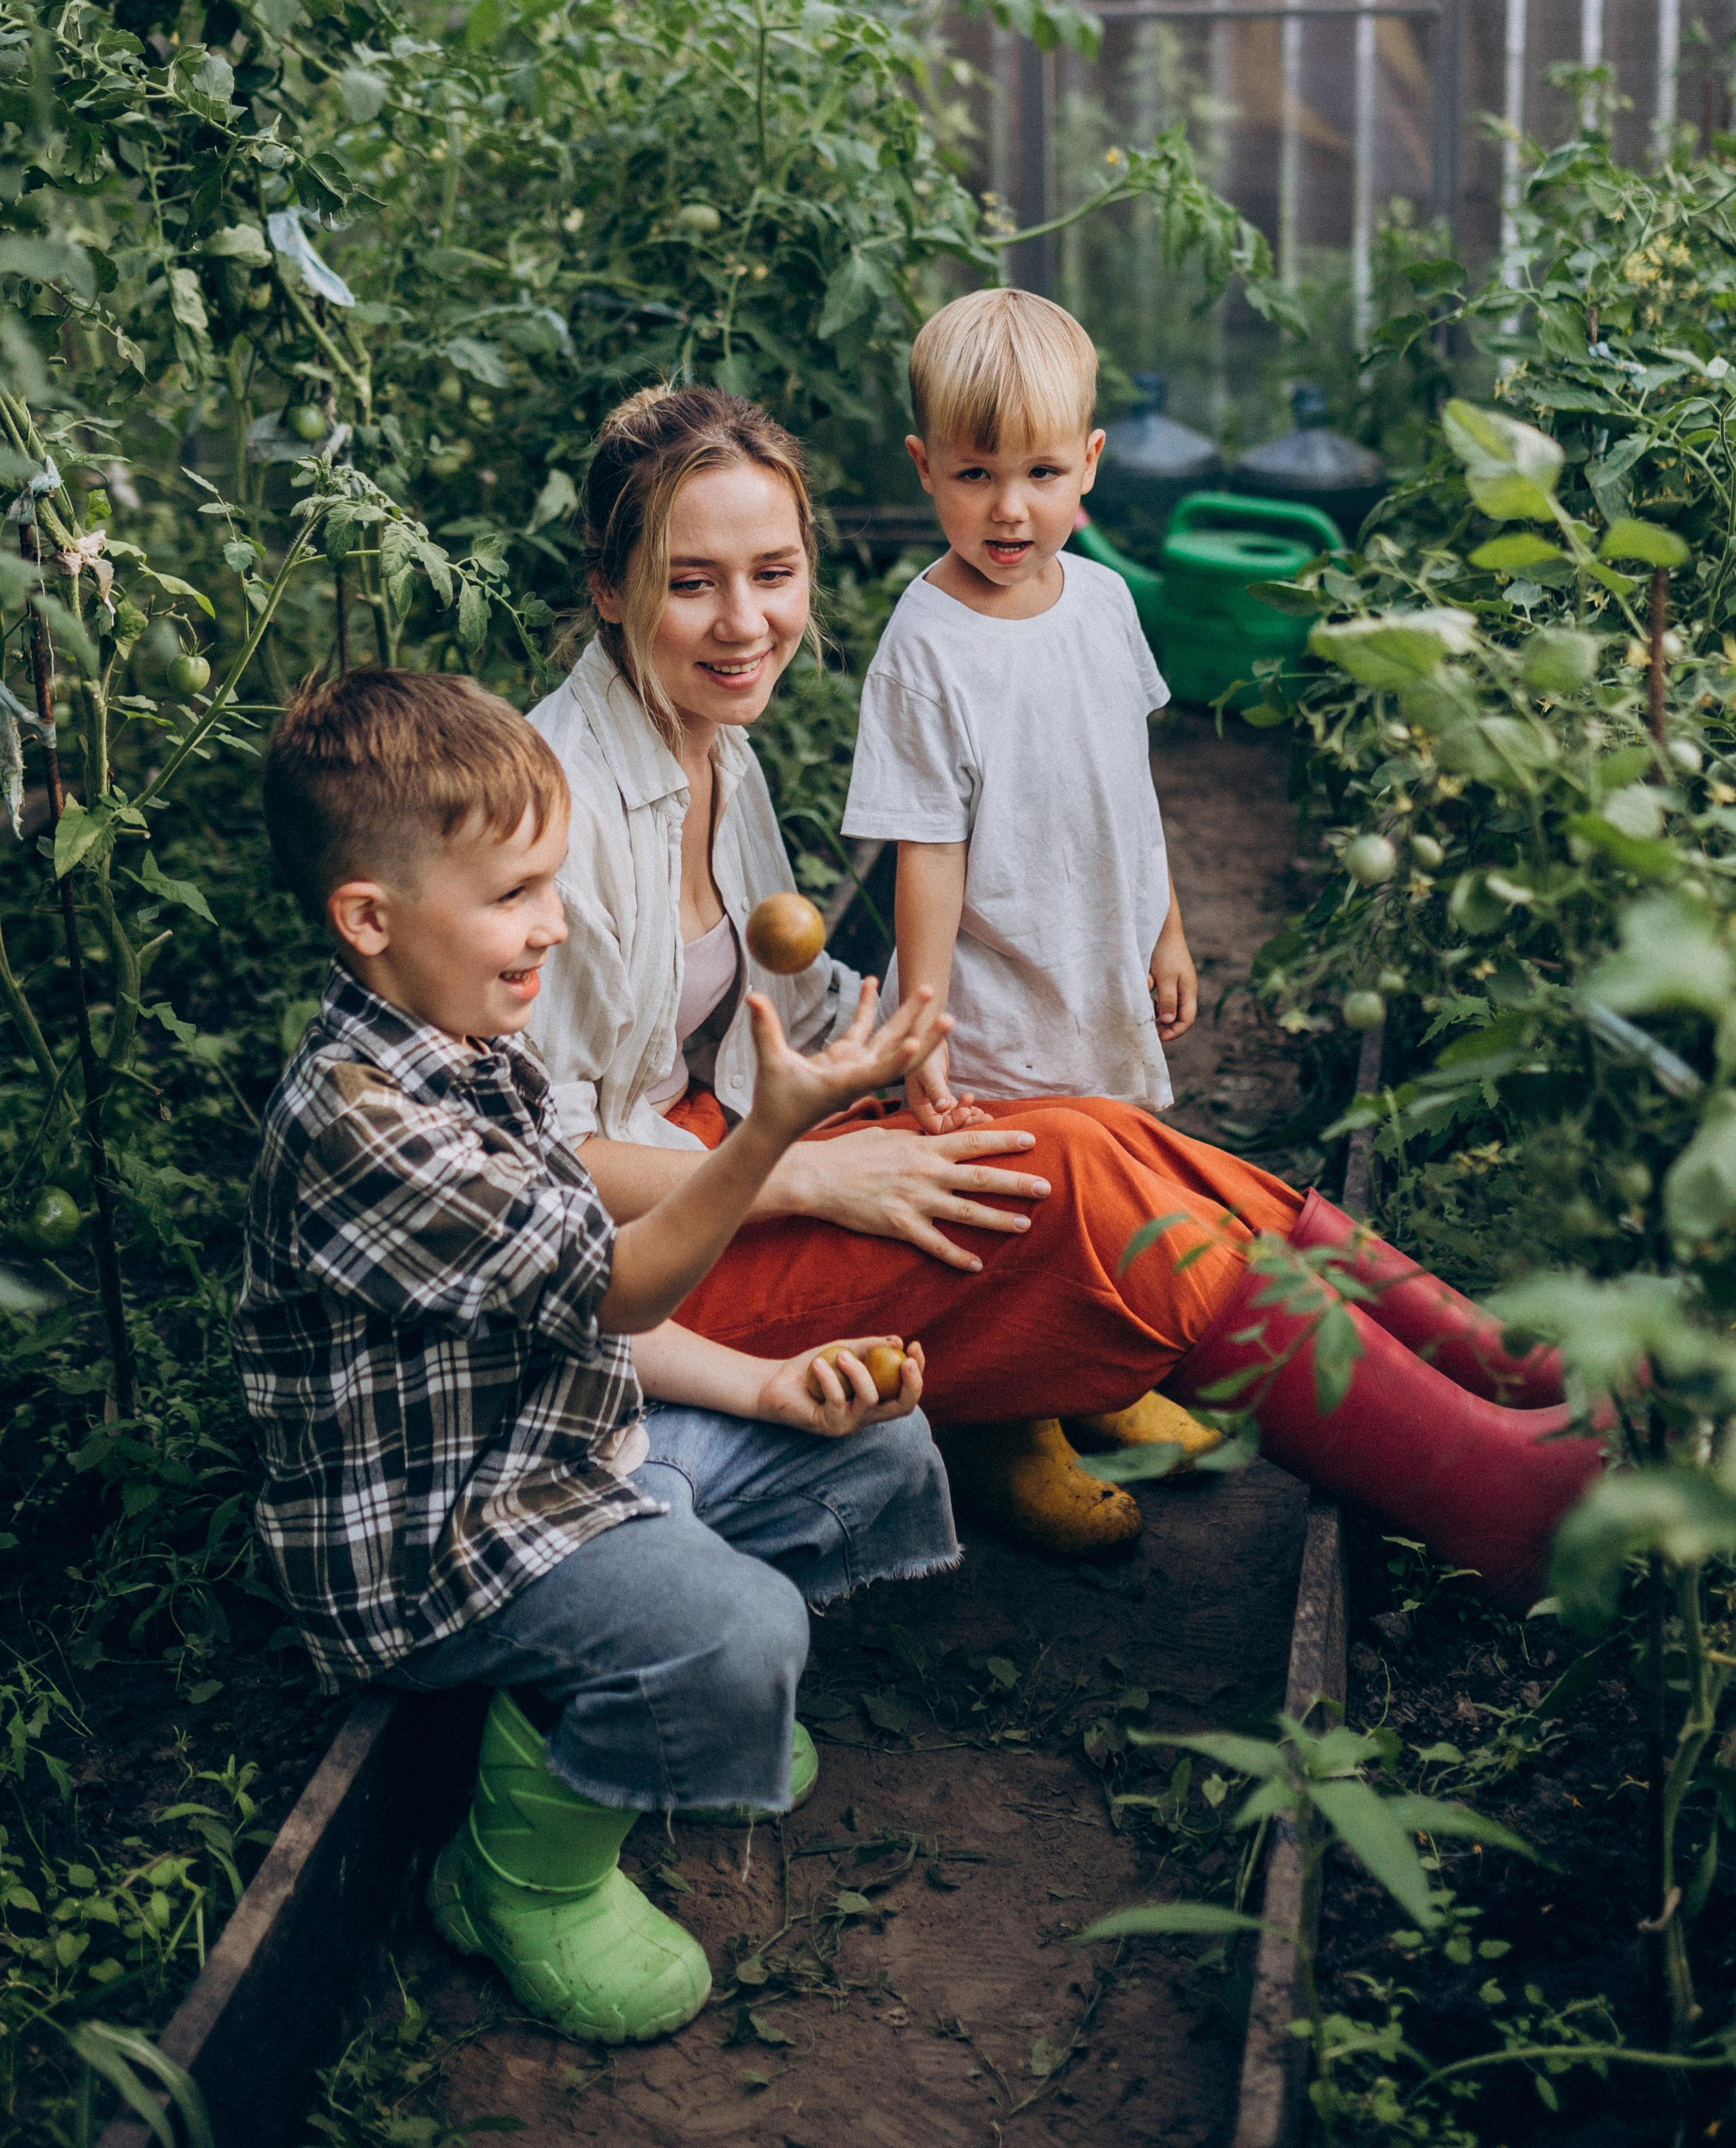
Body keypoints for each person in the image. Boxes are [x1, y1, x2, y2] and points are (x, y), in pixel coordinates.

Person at [526, 382, 1604, 1589]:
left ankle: (1508, 1376)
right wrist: (812, 1169)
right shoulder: (557, 816)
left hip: (724, 1162)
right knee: (1083, 1199)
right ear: (609, 590)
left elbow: (775, 1002)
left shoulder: (710, 745)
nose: (744, 622)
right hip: (635, 1282)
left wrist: (916, 1041)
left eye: (773, 573)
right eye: (690, 583)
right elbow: (532, 1165)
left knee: (1101, 1135)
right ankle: (1491, 1492)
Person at [236, 667, 962, 2047]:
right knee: (743, 1630)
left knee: (873, 1443)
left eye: (550, 885)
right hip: (437, 1547)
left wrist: (763, 1387)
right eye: (513, 895)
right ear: (369, 919)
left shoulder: (469, 1049)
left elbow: (580, 1319)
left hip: (548, 1445)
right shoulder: (364, 1129)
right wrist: (766, 1139)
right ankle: (517, 1879)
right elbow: (623, 1281)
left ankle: (671, 1692)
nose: (553, 927)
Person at [843, 285, 1196, 1134]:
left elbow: (1131, 792)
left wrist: (1167, 931)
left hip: (1097, 968)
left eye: (1042, 473)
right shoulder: (926, 648)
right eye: (975, 474)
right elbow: (926, 855)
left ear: (1089, 460)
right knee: (1022, 1188)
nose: (1009, 507)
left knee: (1100, 1159)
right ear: (925, 467)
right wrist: (922, 1028)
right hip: (989, 1020)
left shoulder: (1105, 600)